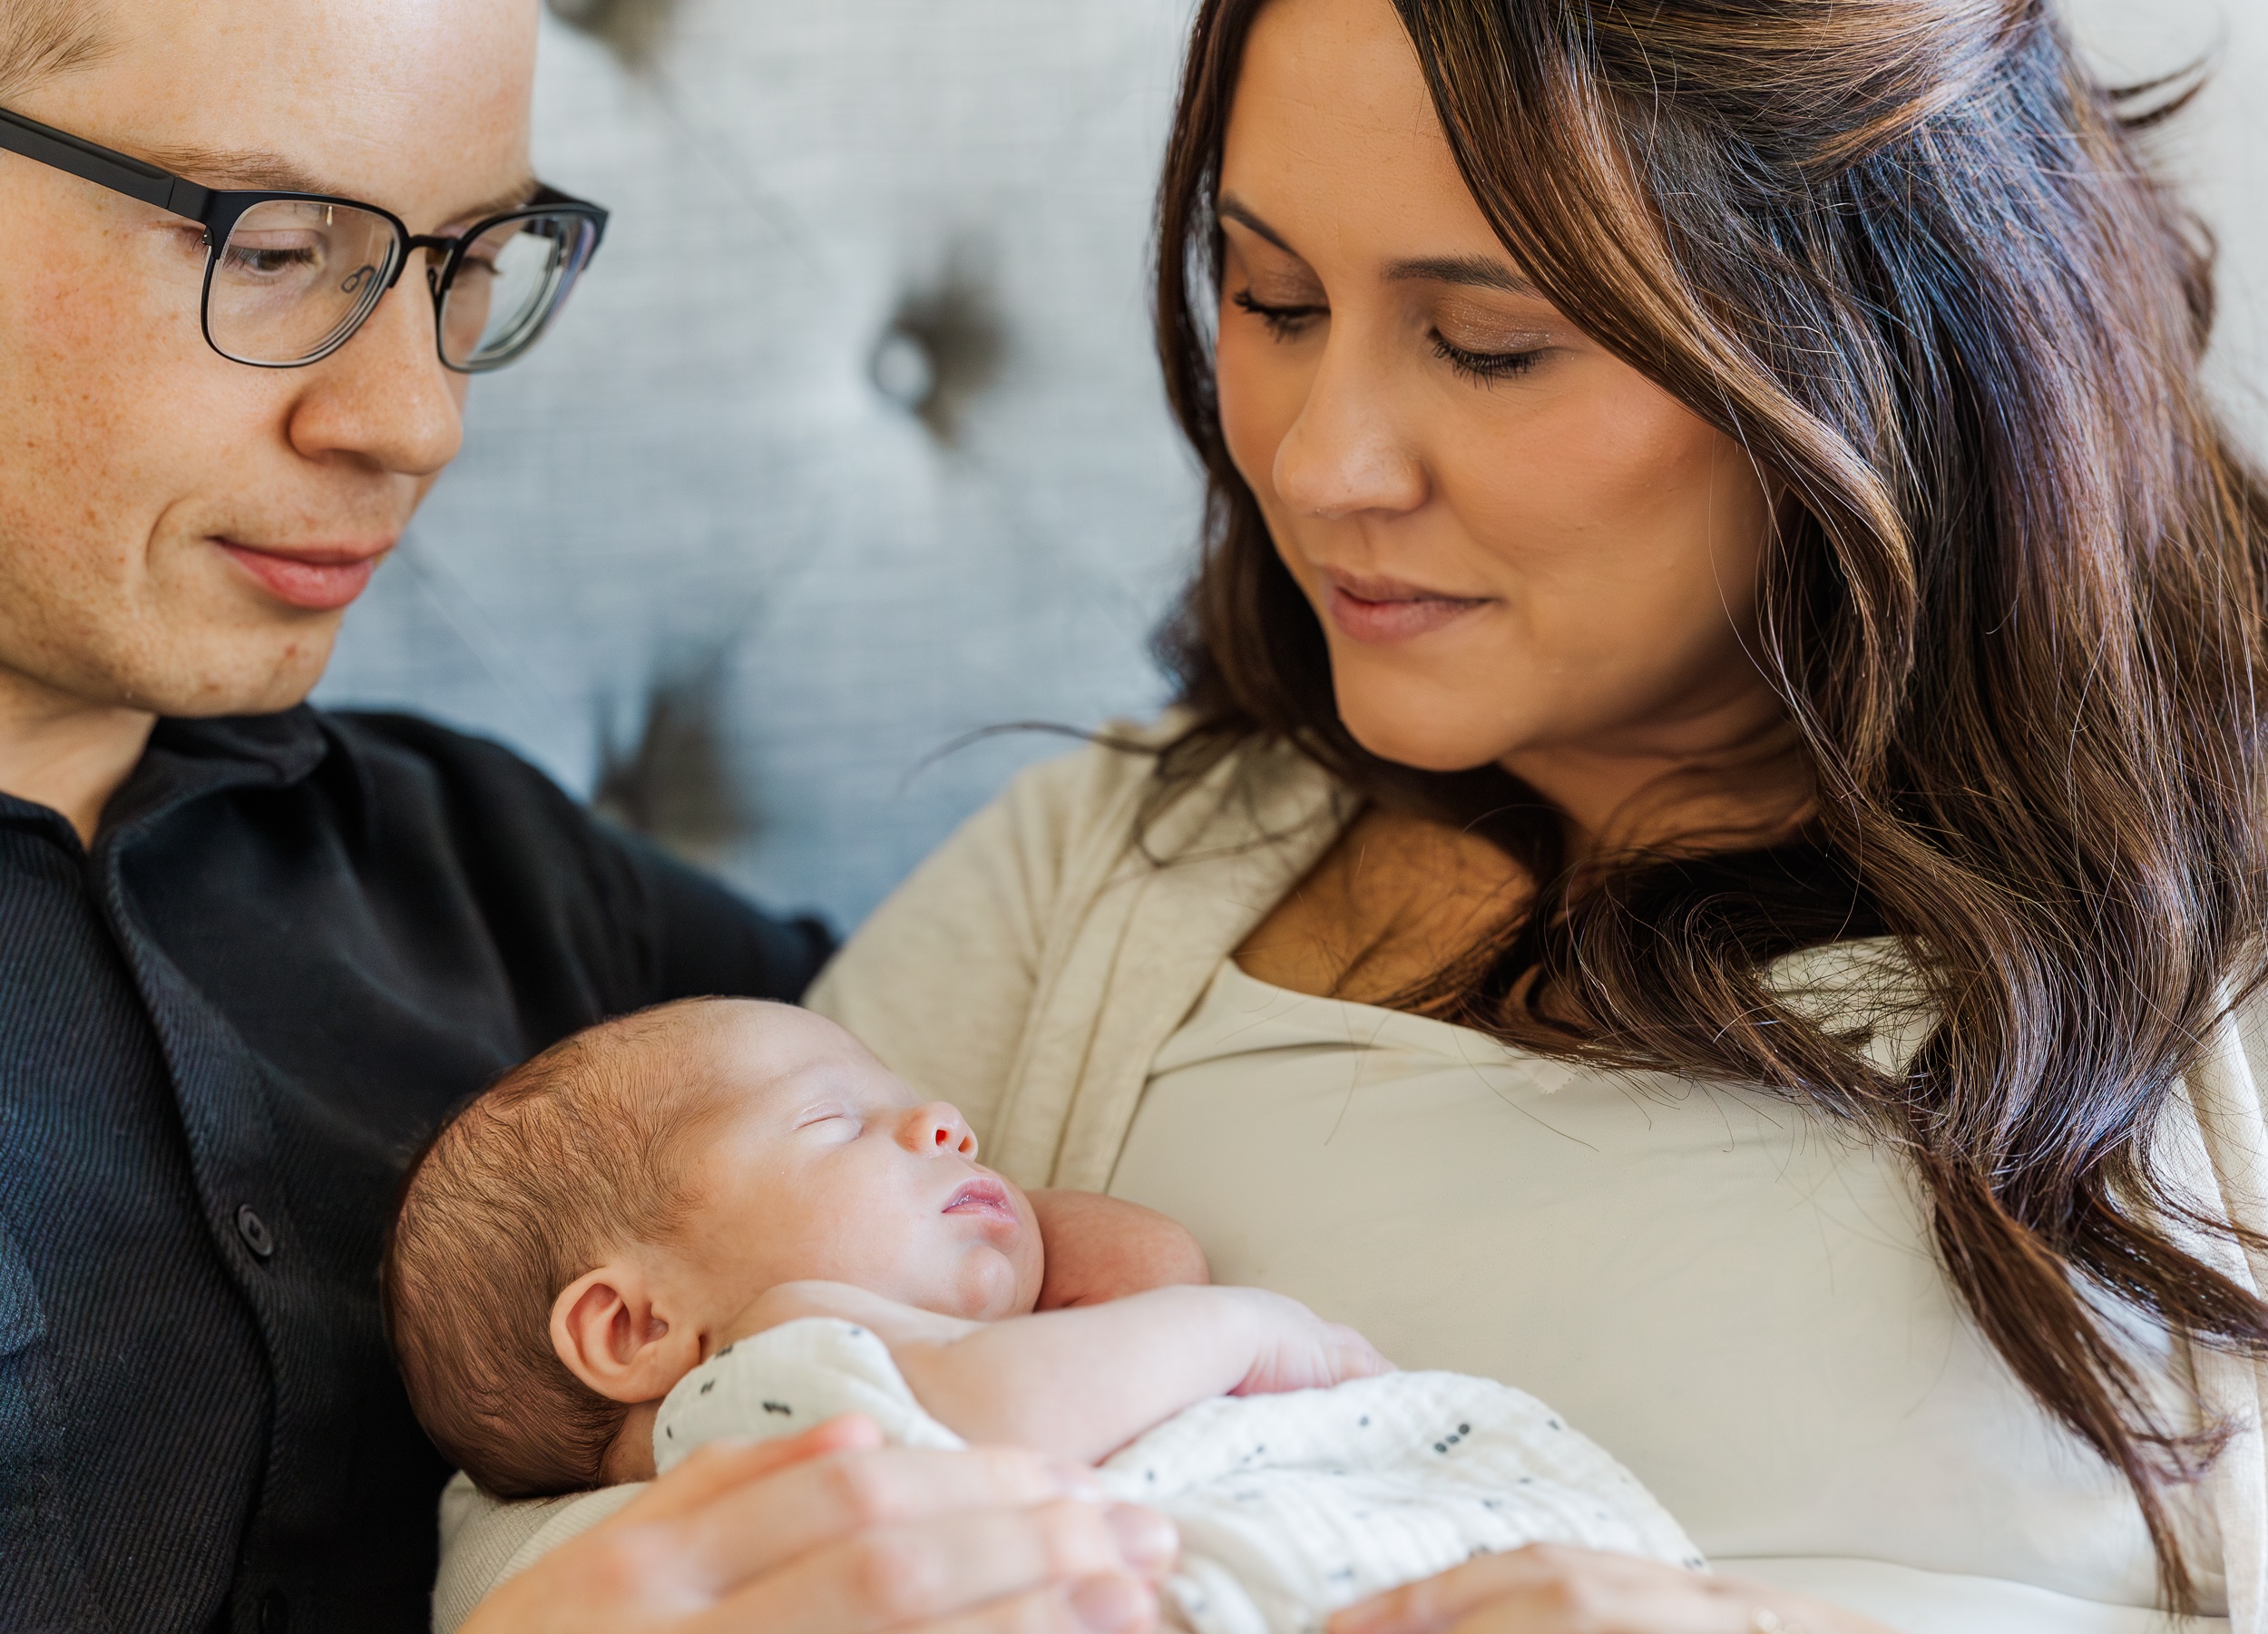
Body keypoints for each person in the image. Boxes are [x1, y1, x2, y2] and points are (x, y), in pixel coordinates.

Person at [794, 0, 2268, 1631]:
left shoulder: (2221, 936)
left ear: (1893, 338)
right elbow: (609, 1474)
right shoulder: (1082, 877)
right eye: (1269, 296)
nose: (1317, 460)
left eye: (1489, 344)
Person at [0, 3, 1179, 1631]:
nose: (415, 424)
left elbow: (1043, 1073)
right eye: (271, 249)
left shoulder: (493, 868)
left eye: (470, 259)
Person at [381, 997, 1695, 1634]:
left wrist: (988, 1219)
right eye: (837, 1120)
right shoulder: (753, 1384)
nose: (942, 1116)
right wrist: (1245, 1329)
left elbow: (1139, 1272)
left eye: (930, 1105)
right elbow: (1018, 1406)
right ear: (634, 1328)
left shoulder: (866, 1358)